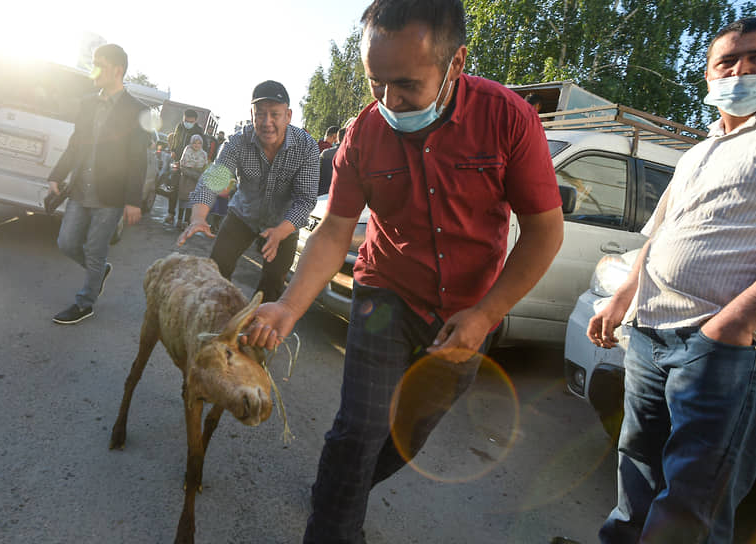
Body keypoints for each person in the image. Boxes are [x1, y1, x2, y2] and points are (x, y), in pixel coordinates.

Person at [241, 1, 564, 541]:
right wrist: (288, 305)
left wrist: (485, 315)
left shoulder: (509, 119)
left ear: (456, 63)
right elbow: (335, 230)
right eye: (375, 83)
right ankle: (336, 523)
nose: (389, 102)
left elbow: (545, 232)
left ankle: (338, 492)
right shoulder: (364, 132)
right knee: (360, 431)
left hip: (466, 314)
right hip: (385, 296)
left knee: (405, 439)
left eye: (408, 86)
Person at [587, 17, 756, 543]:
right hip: (650, 337)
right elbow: (658, 236)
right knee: (636, 470)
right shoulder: (697, 153)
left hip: (716, 351)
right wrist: (621, 298)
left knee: (691, 507)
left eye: (755, 59)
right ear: (708, 77)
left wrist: (731, 326)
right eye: (727, 61)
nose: (742, 70)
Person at [177, 80, 319, 303]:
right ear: (251, 114)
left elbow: (305, 200)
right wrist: (198, 217)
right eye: (260, 114)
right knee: (217, 269)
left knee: (272, 284)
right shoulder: (237, 142)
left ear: (288, 115)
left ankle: (253, 332)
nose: (267, 122)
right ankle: (216, 323)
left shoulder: (307, 146)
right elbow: (213, 180)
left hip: (284, 224)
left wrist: (281, 231)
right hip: (242, 216)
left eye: (275, 114)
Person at [48, 43, 148, 324]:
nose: (94, 69)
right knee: (66, 242)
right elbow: (75, 144)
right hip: (81, 188)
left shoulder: (137, 110)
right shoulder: (88, 102)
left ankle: (85, 302)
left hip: (111, 196)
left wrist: (132, 201)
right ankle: (99, 270)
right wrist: (57, 174)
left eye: (99, 63)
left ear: (117, 70)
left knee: (94, 248)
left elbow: (138, 160)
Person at [165, 109, 205, 226]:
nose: (187, 123)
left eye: (190, 121)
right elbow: (175, 139)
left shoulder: (198, 130)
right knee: (173, 188)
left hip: (190, 168)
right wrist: (173, 150)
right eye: (186, 120)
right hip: (177, 162)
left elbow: (202, 147)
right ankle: (171, 214)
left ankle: (186, 220)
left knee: (188, 193)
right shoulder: (179, 127)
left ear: (195, 121)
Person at [177, 134, 208, 228]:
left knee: (191, 203)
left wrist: (199, 176)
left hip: (196, 183)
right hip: (186, 180)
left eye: (199, 143)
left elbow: (205, 168)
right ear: (191, 143)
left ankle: (186, 221)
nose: (197, 145)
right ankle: (179, 220)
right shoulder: (187, 150)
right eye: (195, 143)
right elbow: (182, 166)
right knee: (183, 201)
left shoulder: (203, 154)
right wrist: (194, 174)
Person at [318, 126, 347, 196]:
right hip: (338, 193)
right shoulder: (350, 155)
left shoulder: (321, 150)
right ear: (334, 136)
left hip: (322, 192)